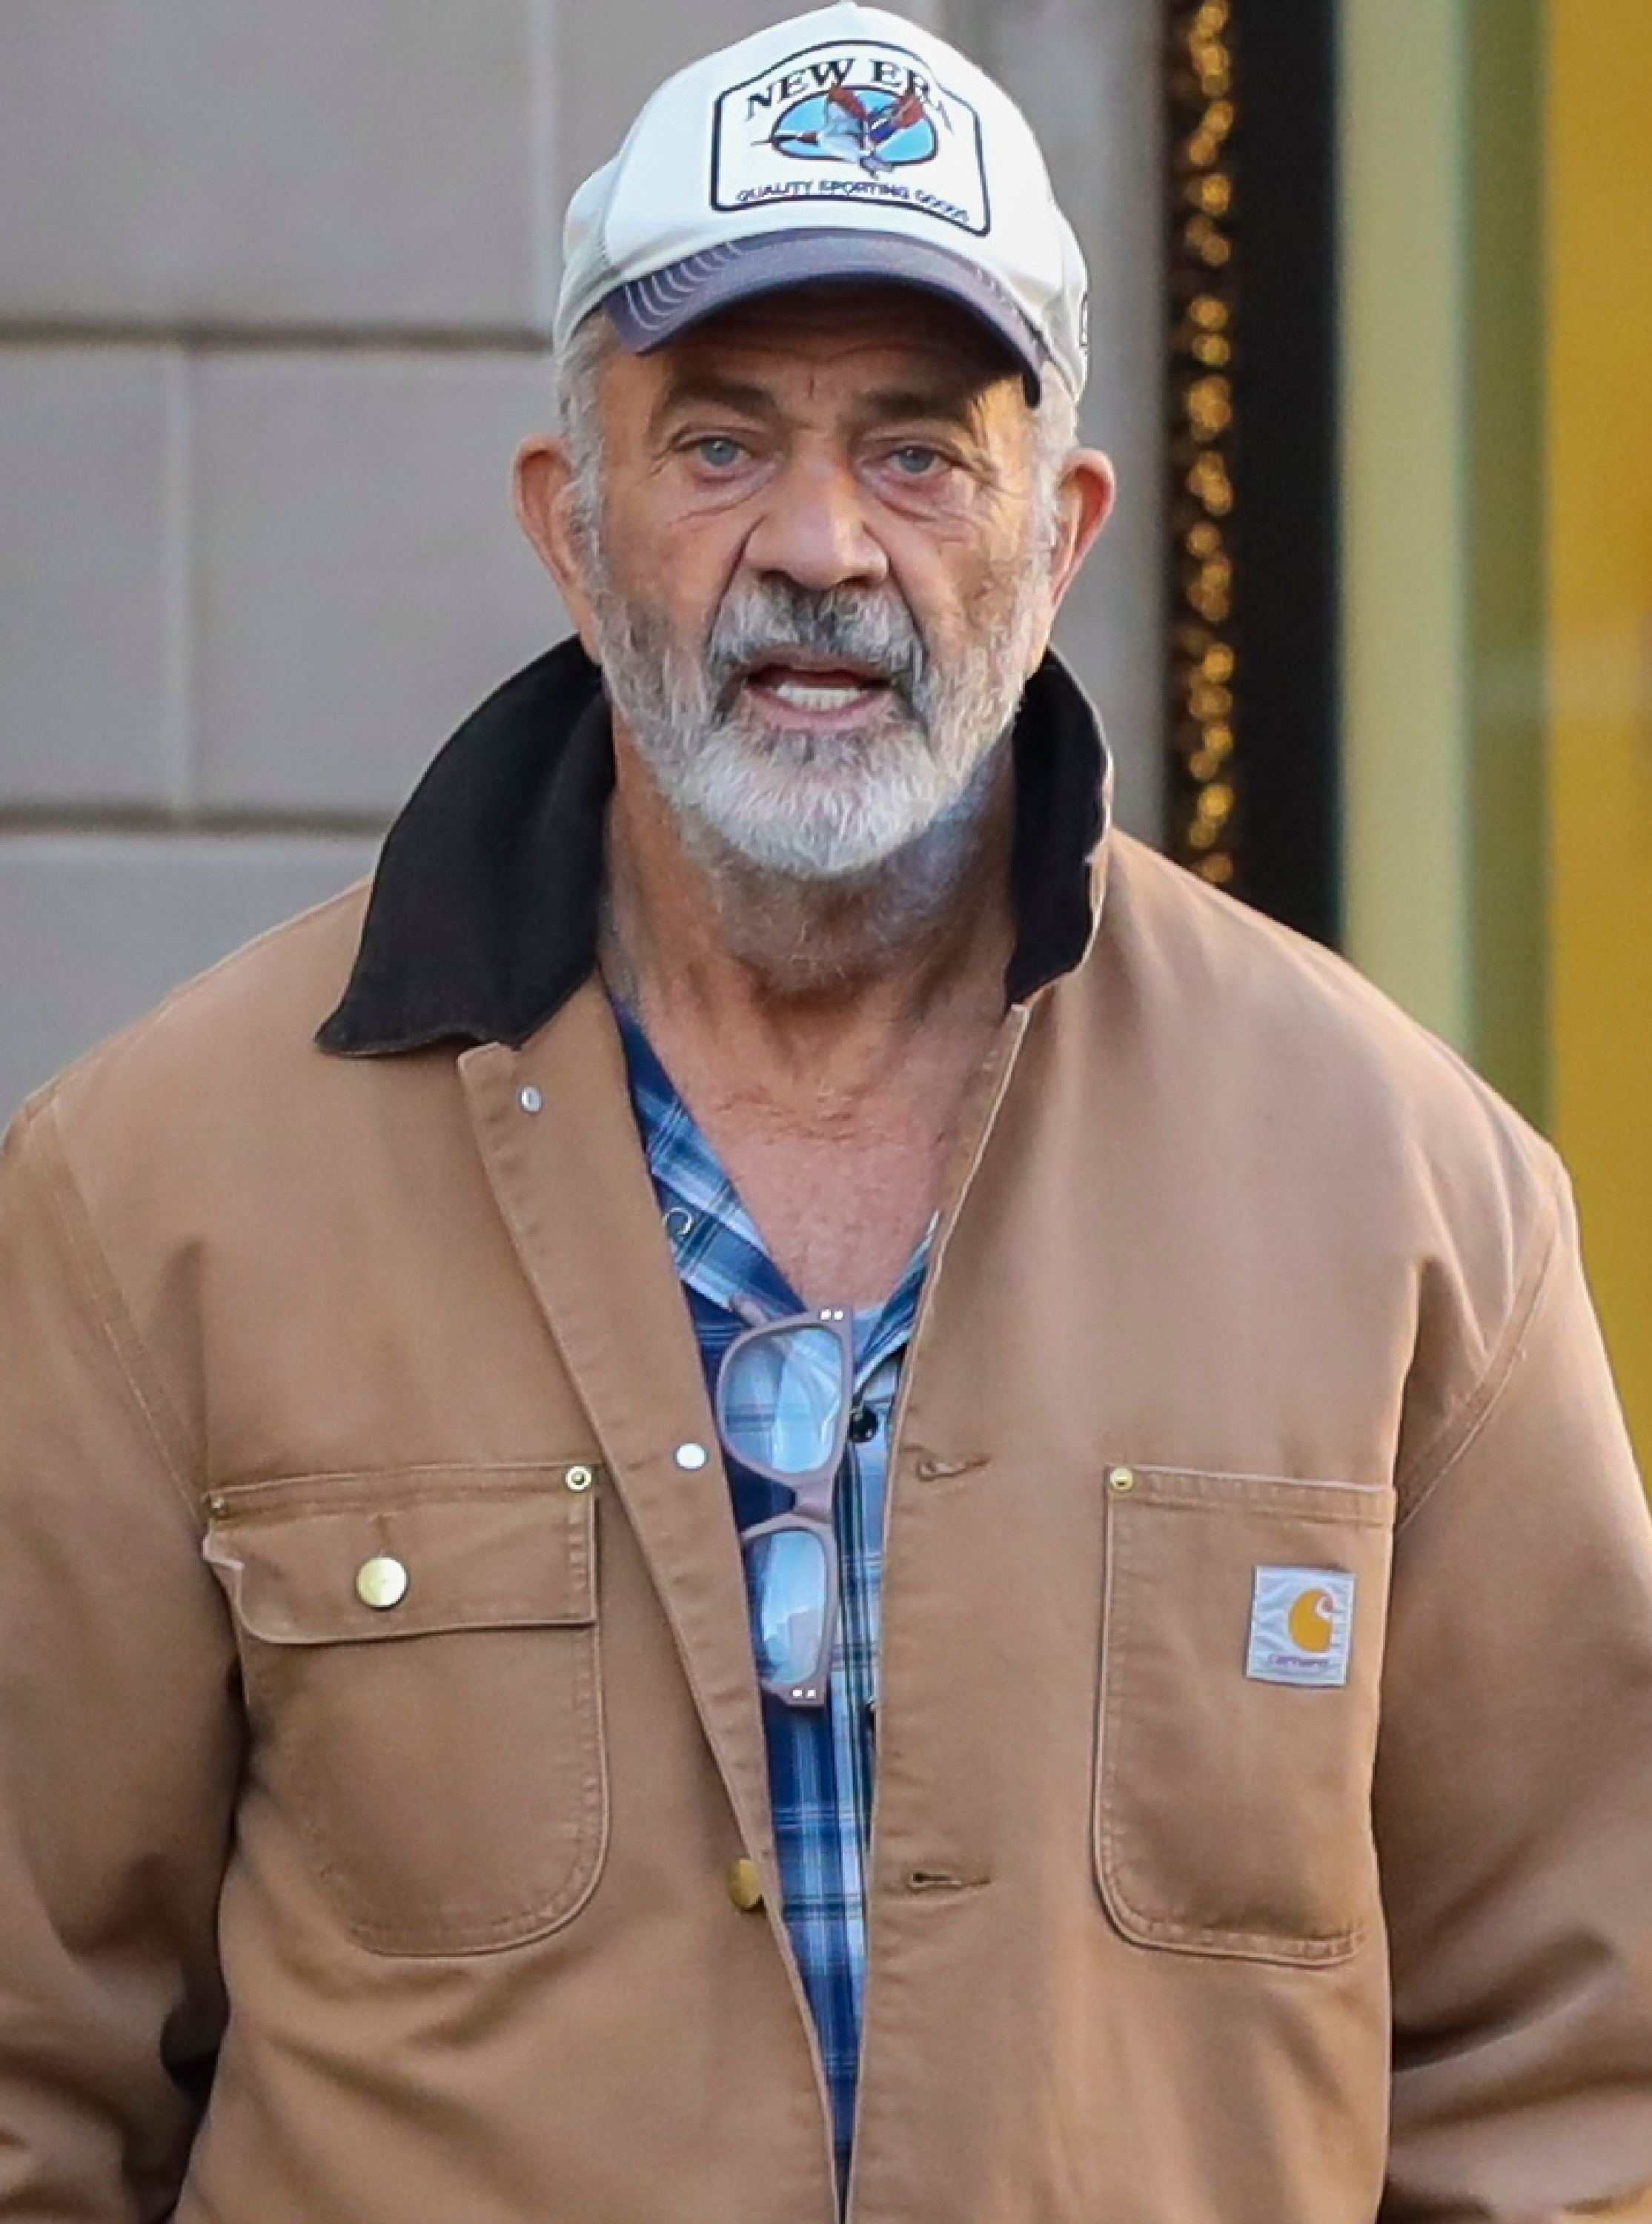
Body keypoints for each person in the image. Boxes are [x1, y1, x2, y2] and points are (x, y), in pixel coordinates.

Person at [1, 5, 1649, 2217]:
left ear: (1059, 535)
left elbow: (1583, 2082)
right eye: (715, 445)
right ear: (572, 534)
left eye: (915, 450)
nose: (820, 547)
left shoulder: (1411, 1197)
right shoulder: (153, 1192)